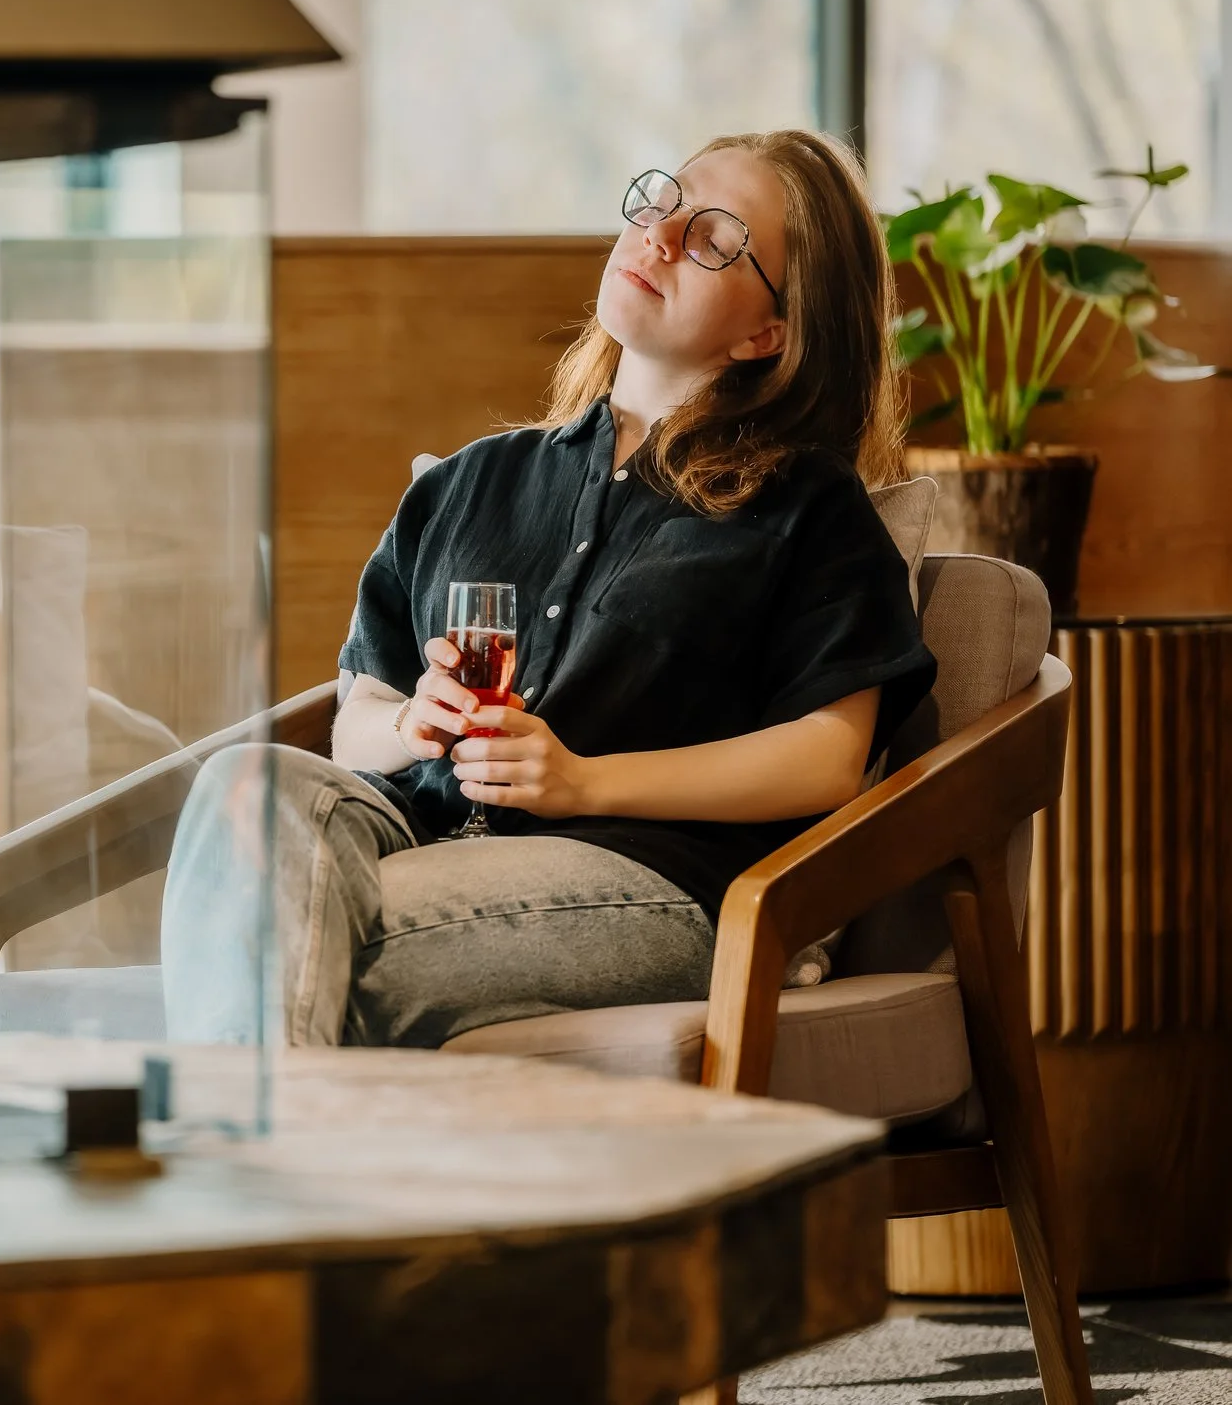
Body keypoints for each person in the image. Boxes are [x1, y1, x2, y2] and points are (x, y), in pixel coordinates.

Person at [161, 129, 936, 1047]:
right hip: (420, 834)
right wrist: (414, 724)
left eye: (714, 238)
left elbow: (826, 756)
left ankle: (248, 1180)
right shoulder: (468, 481)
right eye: (660, 200)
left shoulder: (803, 504)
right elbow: (355, 716)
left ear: (770, 331)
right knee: (253, 788)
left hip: (656, 883)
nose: (659, 234)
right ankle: (285, 1173)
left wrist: (581, 780)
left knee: (292, 955)